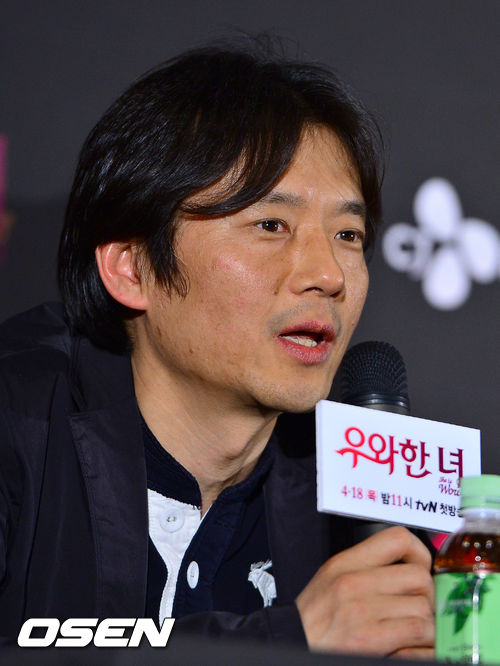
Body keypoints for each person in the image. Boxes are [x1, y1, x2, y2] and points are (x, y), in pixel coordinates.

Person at [0, 41, 434, 657]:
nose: (329, 274)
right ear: (132, 267)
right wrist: (287, 641)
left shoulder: (353, 482)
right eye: (271, 225)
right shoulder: (16, 420)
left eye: (348, 233)